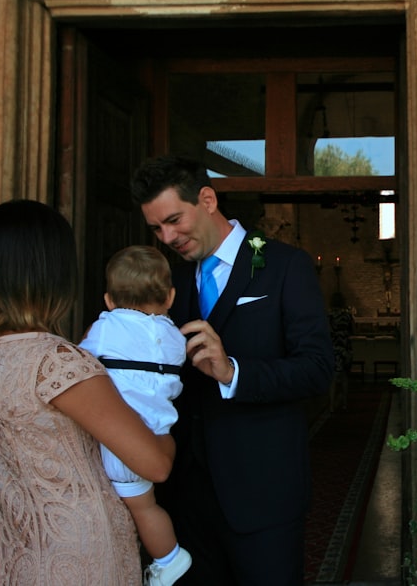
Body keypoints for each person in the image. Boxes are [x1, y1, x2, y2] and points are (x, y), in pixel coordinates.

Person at [130, 156, 335, 585]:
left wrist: (233, 372)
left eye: (173, 220)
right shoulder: (170, 281)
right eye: (156, 229)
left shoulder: (284, 265)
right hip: (183, 499)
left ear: (206, 199)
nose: (167, 237)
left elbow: (317, 369)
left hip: (264, 495)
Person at [0, 199, 176, 586]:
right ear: (55, 273)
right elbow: (155, 464)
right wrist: (164, 421)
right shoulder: (56, 363)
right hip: (78, 557)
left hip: (10, 552)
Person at [79, 245, 192, 586]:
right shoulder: (176, 337)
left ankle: (169, 558)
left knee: (143, 509)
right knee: (145, 505)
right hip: (157, 430)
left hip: (121, 441)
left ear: (109, 300)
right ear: (170, 297)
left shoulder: (106, 328)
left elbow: (76, 366)